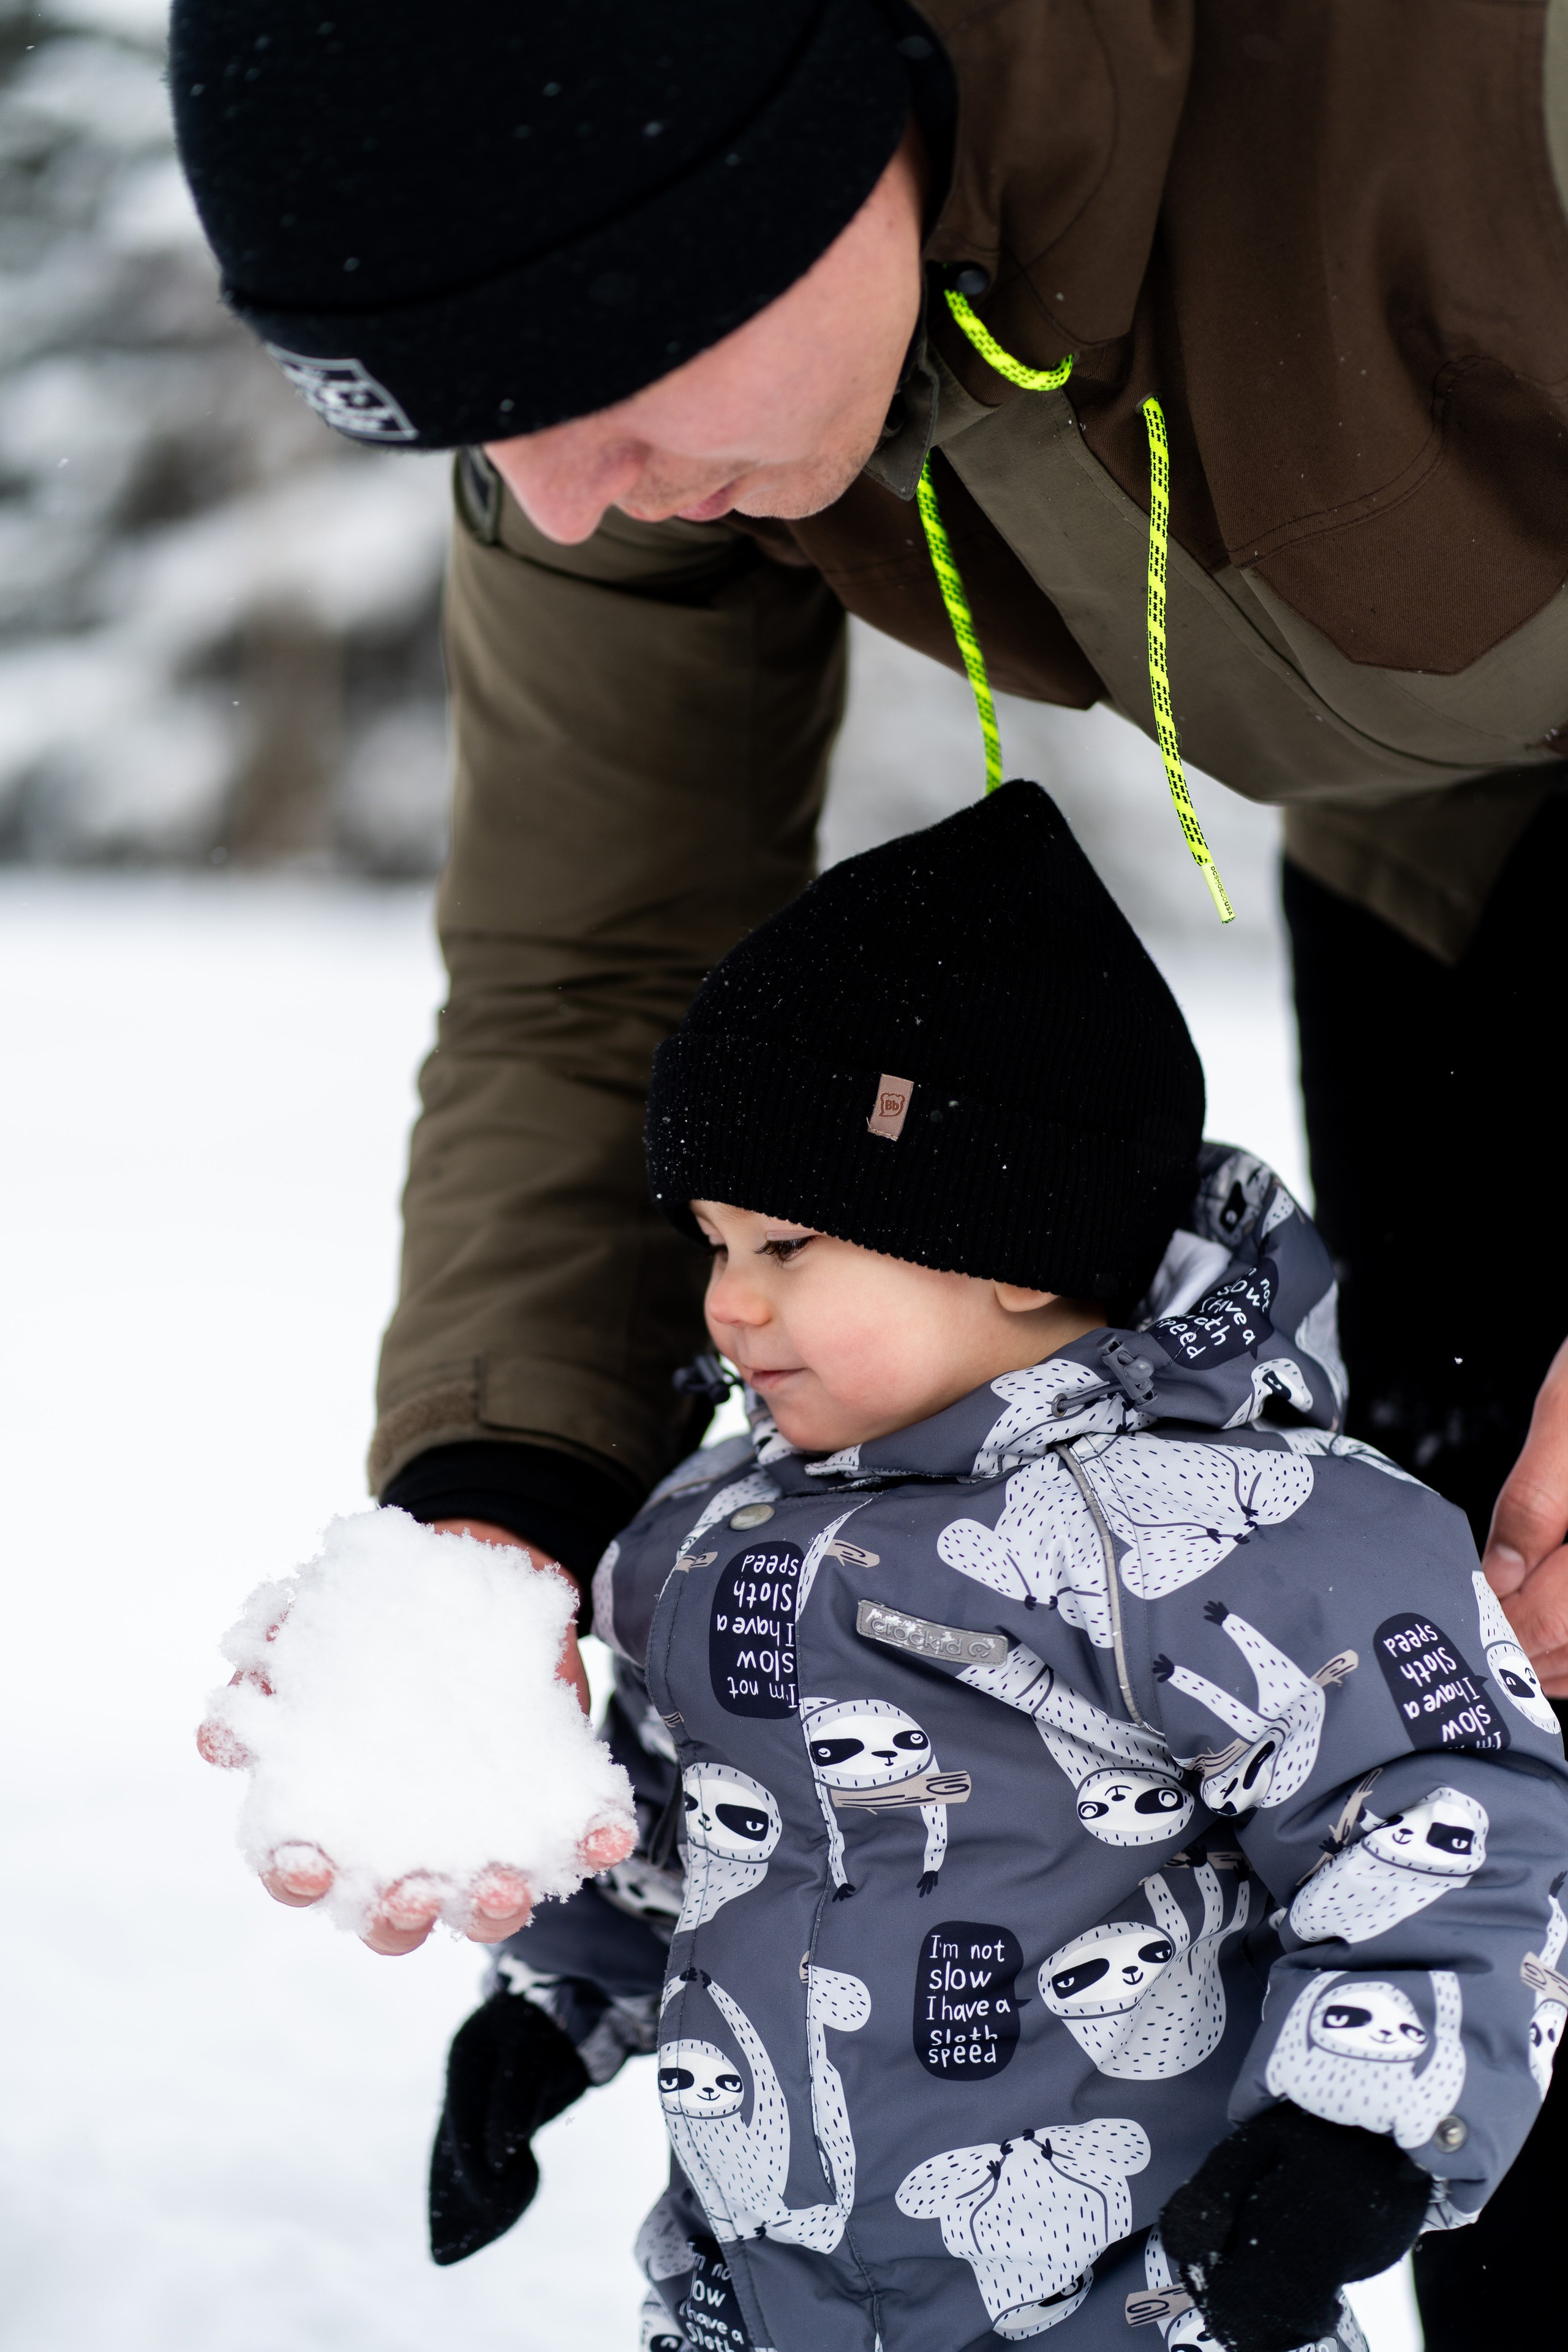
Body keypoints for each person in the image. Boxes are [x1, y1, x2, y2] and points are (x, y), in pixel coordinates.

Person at [168, 2, 1568, 2335]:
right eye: (464, 433)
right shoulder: (609, 363)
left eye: (591, 381)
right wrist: (507, 1509)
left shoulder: (1463, 91)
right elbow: (591, 958)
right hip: (1456, 847)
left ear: (806, 128)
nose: (569, 498)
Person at [440, 785, 1568, 2352]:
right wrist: (558, 2011)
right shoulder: (709, 1529)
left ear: (1010, 1247)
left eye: (785, 1249)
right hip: (758, 2291)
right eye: (709, 1243)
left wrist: (1354, 2134)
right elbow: (685, 1817)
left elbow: (1447, 1821)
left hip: (1141, 2296)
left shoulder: (1258, 1531)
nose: (726, 1309)